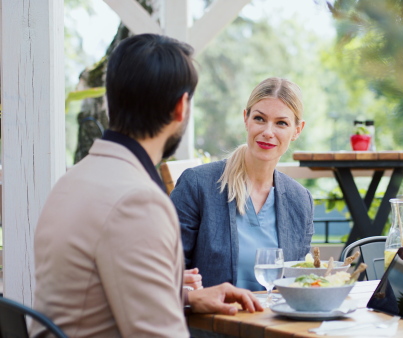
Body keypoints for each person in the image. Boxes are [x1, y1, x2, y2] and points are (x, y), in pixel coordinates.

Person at [32, 34, 262, 337]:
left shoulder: (73, 179)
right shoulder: (137, 201)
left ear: (109, 100)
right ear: (181, 107)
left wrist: (187, 298)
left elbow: (96, 292)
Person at [170, 77, 314, 291]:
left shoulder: (300, 200)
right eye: (259, 118)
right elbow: (164, 270)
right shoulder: (198, 185)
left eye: (281, 123)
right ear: (246, 119)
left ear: (297, 130)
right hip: (214, 321)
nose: (268, 132)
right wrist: (179, 282)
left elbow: (299, 280)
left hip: (275, 322)